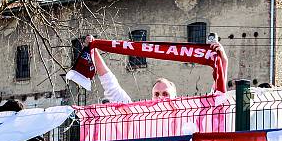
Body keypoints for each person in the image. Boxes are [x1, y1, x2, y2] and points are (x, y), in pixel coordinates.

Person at [83, 35, 227, 102]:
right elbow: (111, 87)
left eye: (165, 94)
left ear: (175, 97)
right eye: (157, 94)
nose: (160, 98)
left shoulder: (187, 114)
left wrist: (223, 62)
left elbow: (215, 98)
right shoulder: (143, 116)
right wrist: (93, 50)